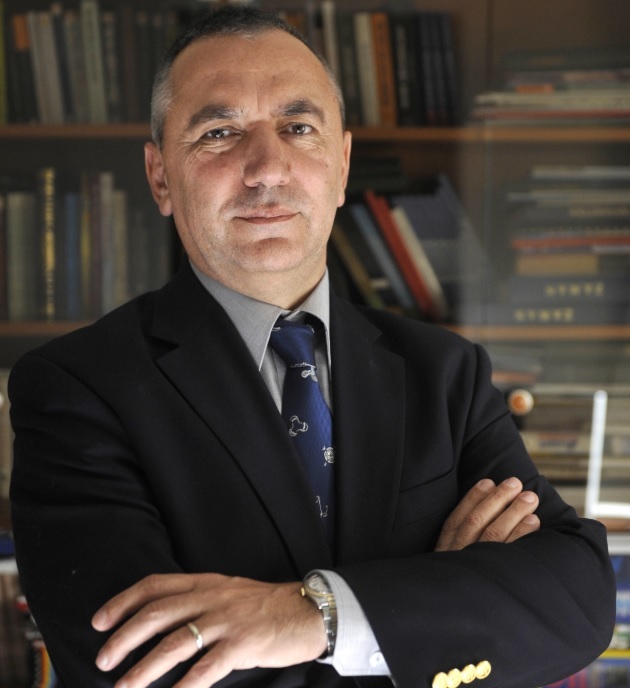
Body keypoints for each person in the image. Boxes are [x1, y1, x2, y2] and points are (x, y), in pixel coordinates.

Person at [9, 7, 615, 688]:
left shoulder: (445, 373)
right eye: (219, 133)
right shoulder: (76, 388)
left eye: (298, 128)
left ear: (343, 163)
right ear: (160, 178)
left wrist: (312, 618)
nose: (267, 168)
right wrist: (435, 612)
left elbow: (579, 599)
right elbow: (137, 667)